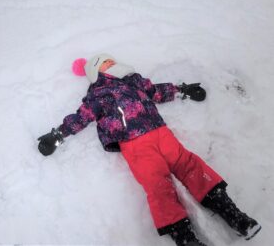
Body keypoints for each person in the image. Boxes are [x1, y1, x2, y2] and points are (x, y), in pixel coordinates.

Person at [38, 53, 261, 246]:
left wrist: (183, 90)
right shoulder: (97, 95)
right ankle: (185, 238)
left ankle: (235, 216)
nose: (112, 62)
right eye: (106, 62)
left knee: (191, 166)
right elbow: (81, 118)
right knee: (157, 185)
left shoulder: (133, 81)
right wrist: (57, 135)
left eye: (112, 60)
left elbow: (156, 91)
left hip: (162, 134)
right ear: (96, 71)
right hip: (135, 146)